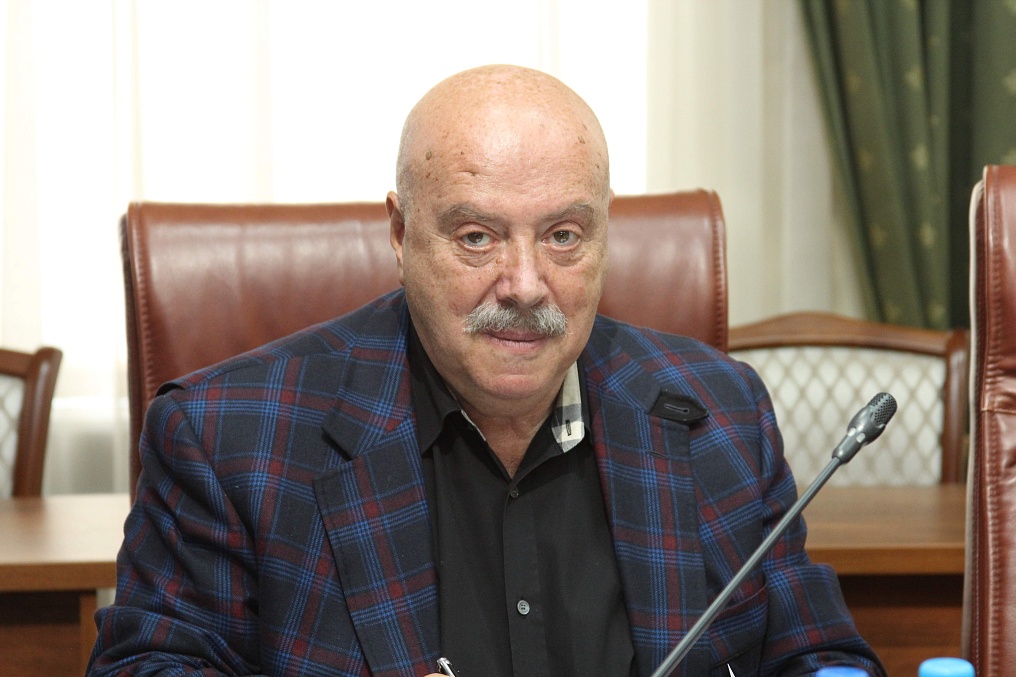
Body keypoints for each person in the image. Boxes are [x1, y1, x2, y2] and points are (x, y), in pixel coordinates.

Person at [88, 65, 885, 677]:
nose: (526, 285)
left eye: (564, 235)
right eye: (477, 237)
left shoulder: (719, 414)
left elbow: (818, 652)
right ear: (400, 234)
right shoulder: (227, 439)